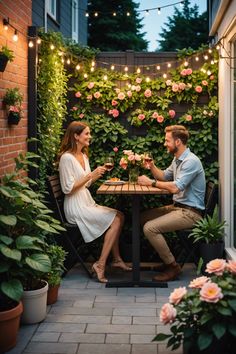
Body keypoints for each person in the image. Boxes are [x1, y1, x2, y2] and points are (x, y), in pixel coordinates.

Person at [58, 121, 131, 283]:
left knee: (120, 215)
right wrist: (91, 175)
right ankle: (100, 264)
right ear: (76, 136)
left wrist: (97, 174)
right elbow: (67, 189)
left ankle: (117, 259)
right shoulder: (66, 158)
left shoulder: (83, 155)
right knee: (117, 219)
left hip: (86, 201)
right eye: (87, 133)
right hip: (75, 206)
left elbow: (87, 183)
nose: (90, 136)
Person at [138, 125, 205, 282]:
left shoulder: (191, 161)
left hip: (190, 213)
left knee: (150, 228)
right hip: (177, 208)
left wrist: (150, 183)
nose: (164, 143)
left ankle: (172, 266)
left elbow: (175, 187)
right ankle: (165, 260)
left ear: (178, 142)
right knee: (141, 218)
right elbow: (165, 177)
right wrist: (152, 166)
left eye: (167, 140)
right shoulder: (178, 159)